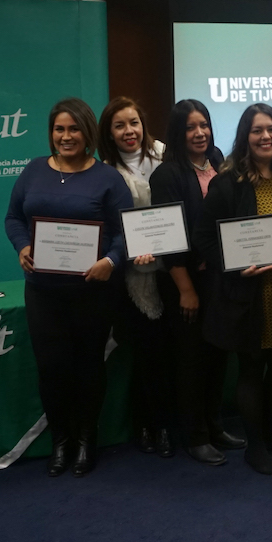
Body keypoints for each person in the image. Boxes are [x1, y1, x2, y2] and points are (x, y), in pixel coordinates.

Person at [5, 97, 133, 478]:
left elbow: (127, 231)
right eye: (59, 129)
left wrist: (111, 261)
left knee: (88, 367)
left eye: (74, 128)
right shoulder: (33, 170)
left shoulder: (108, 178)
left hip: (91, 293)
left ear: (87, 132)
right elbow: (13, 219)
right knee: (51, 369)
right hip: (42, 292)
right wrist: (22, 246)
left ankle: (86, 440)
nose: (66, 136)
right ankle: (60, 442)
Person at [192, 103, 272, 475]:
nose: (265, 136)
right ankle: (255, 447)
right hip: (248, 293)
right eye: (257, 130)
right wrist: (235, 265)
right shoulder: (229, 182)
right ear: (245, 137)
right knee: (252, 369)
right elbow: (203, 237)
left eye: (271, 129)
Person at [148, 99, 247, 466]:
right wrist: (186, 289)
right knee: (191, 362)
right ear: (178, 132)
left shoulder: (219, 161)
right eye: (190, 127)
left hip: (218, 278)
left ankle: (214, 425)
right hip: (185, 281)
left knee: (217, 356)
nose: (200, 133)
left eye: (203, 124)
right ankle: (195, 436)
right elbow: (168, 239)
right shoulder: (167, 175)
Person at [96, 97, 174, 458]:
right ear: (109, 134)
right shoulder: (105, 172)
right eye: (119, 126)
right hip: (134, 276)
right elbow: (110, 226)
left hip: (175, 270)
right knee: (147, 355)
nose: (129, 131)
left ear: (144, 125)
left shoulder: (167, 157)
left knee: (174, 352)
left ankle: (170, 424)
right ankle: (148, 425)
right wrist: (133, 250)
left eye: (134, 123)